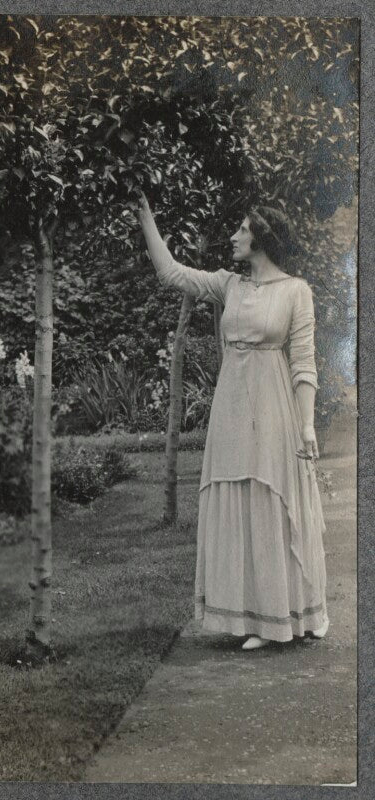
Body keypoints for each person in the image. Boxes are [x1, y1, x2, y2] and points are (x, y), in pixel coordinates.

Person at [137, 192, 329, 651]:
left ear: (261, 237)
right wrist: (145, 216)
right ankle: (250, 616)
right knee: (237, 496)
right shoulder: (230, 285)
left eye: (242, 229)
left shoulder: (295, 291)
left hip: (273, 403)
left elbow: (303, 363)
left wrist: (307, 427)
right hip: (231, 406)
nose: (233, 236)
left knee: (269, 496)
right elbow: (171, 273)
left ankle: (281, 617)